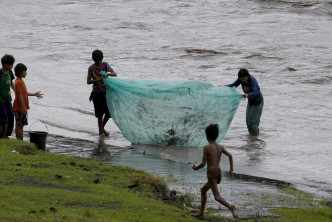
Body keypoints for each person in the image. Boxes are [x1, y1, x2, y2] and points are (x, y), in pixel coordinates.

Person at [192, 124, 238, 219]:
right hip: (218, 172)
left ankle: (231, 207)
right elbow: (230, 156)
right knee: (203, 190)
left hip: (211, 173)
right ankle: (201, 214)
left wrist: (195, 168)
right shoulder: (220, 147)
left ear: (207, 136)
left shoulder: (206, 148)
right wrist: (231, 170)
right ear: (217, 136)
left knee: (217, 197)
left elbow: (203, 164)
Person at [87, 50, 117, 137]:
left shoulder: (105, 65)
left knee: (108, 113)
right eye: (97, 61)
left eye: (100, 60)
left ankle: (102, 129)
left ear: (102, 59)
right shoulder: (91, 68)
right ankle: (101, 133)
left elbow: (115, 74)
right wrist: (99, 79)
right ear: (94, 60)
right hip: (96, 93)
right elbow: (88, 81)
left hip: (106, 93)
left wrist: (107, 74)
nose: (98, 63)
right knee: (100, 114)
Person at [227, 68, 263, 136]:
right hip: (250, 102)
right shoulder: (240, 80)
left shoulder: (253, 81)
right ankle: (252, 138)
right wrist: (223, 87)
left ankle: (256, 137)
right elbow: (233, 85)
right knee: (248, 122)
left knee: (252, 122)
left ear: (248, 76)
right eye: (241, 79)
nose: (242, 81)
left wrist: (247, 95)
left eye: (244, 79)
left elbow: (256, 92)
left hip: (258, 102)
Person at [12, 63, 43, 140]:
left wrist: (34, 94)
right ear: (20, 72)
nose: (26, 73)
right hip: (19, 107)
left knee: (20, 124)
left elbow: (24, 93)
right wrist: (24, 107)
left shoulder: (20, 81)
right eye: (25, 71)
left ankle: (20, 139)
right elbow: (19, 95)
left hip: (21, 107)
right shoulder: (18, 82)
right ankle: (19, 140)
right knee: (19, 125)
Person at [0, 54, 15, 139]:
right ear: (5, 65)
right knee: (3, 118)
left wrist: (16, 91)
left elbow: (11, 83)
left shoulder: (10, 72)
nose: (12, 66)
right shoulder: (0, 73)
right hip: (1, 100)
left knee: (11, 116)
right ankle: (2, 135)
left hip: (8, 99)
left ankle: (7, 134)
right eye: (11, 64)